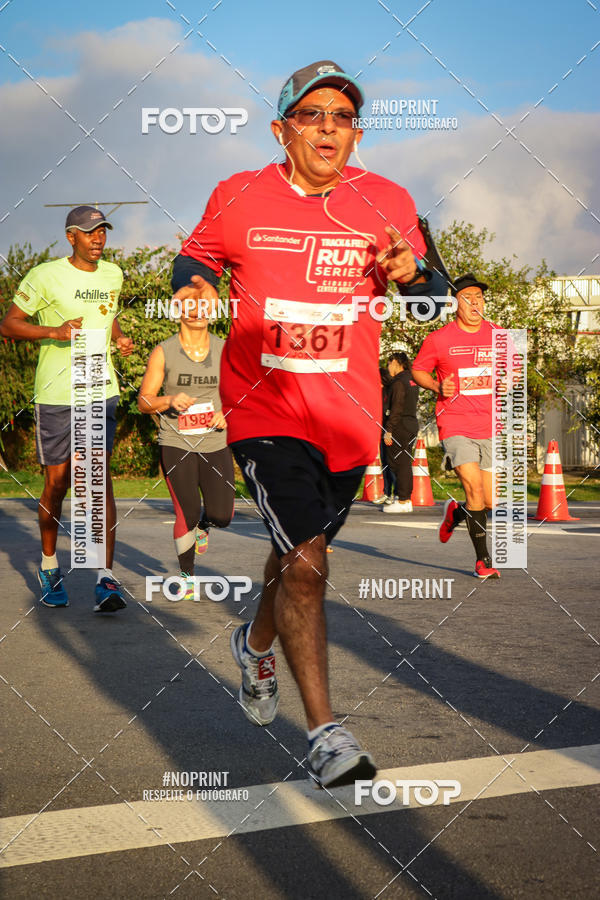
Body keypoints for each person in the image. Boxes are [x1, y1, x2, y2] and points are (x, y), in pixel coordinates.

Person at [171, 60, 447, 787]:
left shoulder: (388, 200)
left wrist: (414, 277)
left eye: (343, 117)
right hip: (265, 408)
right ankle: (327, 734)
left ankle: (255, 644)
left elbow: (434, 299)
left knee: (299, 555)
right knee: (309, 564)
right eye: (312, 114)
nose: (329, 127)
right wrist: (195, 286)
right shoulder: (239, 194)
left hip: (348, 421)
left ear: (356, 133)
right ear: (282, 128)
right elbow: (193, 259)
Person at [0, 206, 133, 611]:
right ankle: (49, 564)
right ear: (71, 236)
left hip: (99, 387)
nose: (98, 239)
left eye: (102, 232)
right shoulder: (44, 275)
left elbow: (105, 316)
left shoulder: (114, 275)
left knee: (97, 481)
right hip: (58, 393)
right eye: (90, 233)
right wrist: (54, 332)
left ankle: (104, 579)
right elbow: (8, 324)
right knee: (57, 484)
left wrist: (120, 334)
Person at [137, 299, 234, 596]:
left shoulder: (225, 349)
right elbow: (144, 400)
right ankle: (187, 575)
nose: (198, 312)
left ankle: (205, 525)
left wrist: (228, 413)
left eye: (204, 306)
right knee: (187, 511)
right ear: (178, 311)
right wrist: (168, 401)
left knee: (223, 515)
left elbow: (245, 394)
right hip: (176, 441)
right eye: (190, 306)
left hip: (216, 441)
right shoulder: (163, 351)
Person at [412, 273, 500, 579]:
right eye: (468, 297)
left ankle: (456, 512)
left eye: (480, 297)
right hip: (455, 423)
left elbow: (513, 369)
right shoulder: (439, 339)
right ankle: (483, 560)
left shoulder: (498, 335)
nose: (476, 302)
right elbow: (418, 370)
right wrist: (438, 387)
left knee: (489, 500)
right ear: (454, 303)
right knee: (473, 487)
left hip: (491, 425)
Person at [383, 351, 419, 513]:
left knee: (398, 463)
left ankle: (403, 500)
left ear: (396, 362)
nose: (388, 367)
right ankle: (405, 499)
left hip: (400, 425)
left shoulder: (398, 383)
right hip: (411, 423)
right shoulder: (411, 380)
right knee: (404, 462)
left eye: (389, 363)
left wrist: (388, 430)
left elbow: (396, 408)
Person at [378, 366, 397, 504]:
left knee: (392, 462)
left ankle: (396, 493)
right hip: (380, 429)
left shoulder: (390, 391)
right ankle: (386, 491)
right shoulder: (377, 392)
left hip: (390, 431)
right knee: (384, 462)